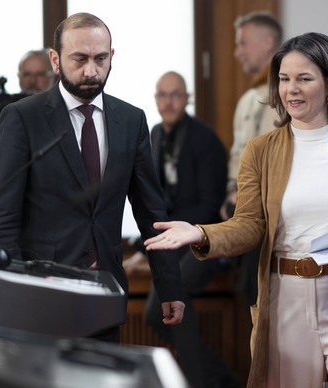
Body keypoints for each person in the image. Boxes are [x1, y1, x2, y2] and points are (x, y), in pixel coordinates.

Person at [144, 32, 328, 387]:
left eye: (303, 79)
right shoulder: (260, 151)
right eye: (283, 79)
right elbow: (249, 225)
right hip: (285, 297)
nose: (291, 89)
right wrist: (201, 233)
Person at [0, 12, 185, 343]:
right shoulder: (23, 118)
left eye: (100, 58)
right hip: (40, 297)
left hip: (104, 293)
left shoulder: (131, 120)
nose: (92, 70)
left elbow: (151, 212)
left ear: (111, 57)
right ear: (56, 59)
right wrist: (12, 294)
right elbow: (0, 218)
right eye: (80, 59)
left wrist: (169, 286)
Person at [122, 71, 238, 388]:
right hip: (175, 240)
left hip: (208, 238)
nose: (168, 102)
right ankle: (221, 379)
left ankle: (199, 382)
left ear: (187, 99)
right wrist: (144, 246)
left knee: (176, 296)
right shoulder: (156, 134)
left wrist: (169, 235)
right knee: (152, 313)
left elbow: (211, 205)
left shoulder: (204, 139)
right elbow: (154, 201)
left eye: (175, 95)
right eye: (162, 95)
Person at [223, 11, 283, 309]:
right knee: (249, 294)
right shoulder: (249, 98)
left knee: (262, 297)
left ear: (268, 42)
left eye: (243, 43)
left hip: (272, 221)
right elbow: (239, 154)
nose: (237, 52)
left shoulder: (289, 96)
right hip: (241, 215)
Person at [0, 49, 55, 175]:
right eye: (27, 75)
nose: (32, 81)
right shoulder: (8, 108)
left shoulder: (65, 108)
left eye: (40, 74)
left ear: (53, 76)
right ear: (18, 77)